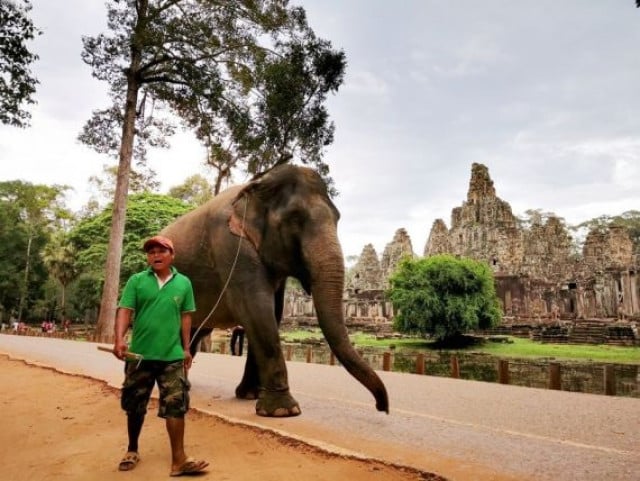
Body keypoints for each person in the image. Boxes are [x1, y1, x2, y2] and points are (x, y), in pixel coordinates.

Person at [111, 235, 208, 476]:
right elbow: (125, 310)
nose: (155, 255)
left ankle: (179, 460)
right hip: (139, 355)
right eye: (151, 251)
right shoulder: (137, 281)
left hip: (172, 356)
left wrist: (186, 348)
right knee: (135, 405)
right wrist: (119, 339)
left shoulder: (184, 283)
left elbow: (187, 317)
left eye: (161, 251)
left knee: (176, 405)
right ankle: (132, 449)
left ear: (172, 255)